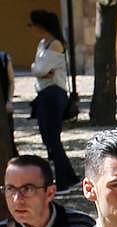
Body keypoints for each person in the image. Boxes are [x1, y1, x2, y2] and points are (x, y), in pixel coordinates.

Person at [25, 11, 79, 191]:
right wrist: (40, 70)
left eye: (31, 25)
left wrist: (40, 71)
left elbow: (40, 70)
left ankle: (66, 179)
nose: (30, 29)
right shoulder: (43, 44)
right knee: (48, 139)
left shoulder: (55, 44)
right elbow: (37, 69)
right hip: (44, 94)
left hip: (54, 94)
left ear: (41, 25)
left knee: (52, 139)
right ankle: (66, 177)